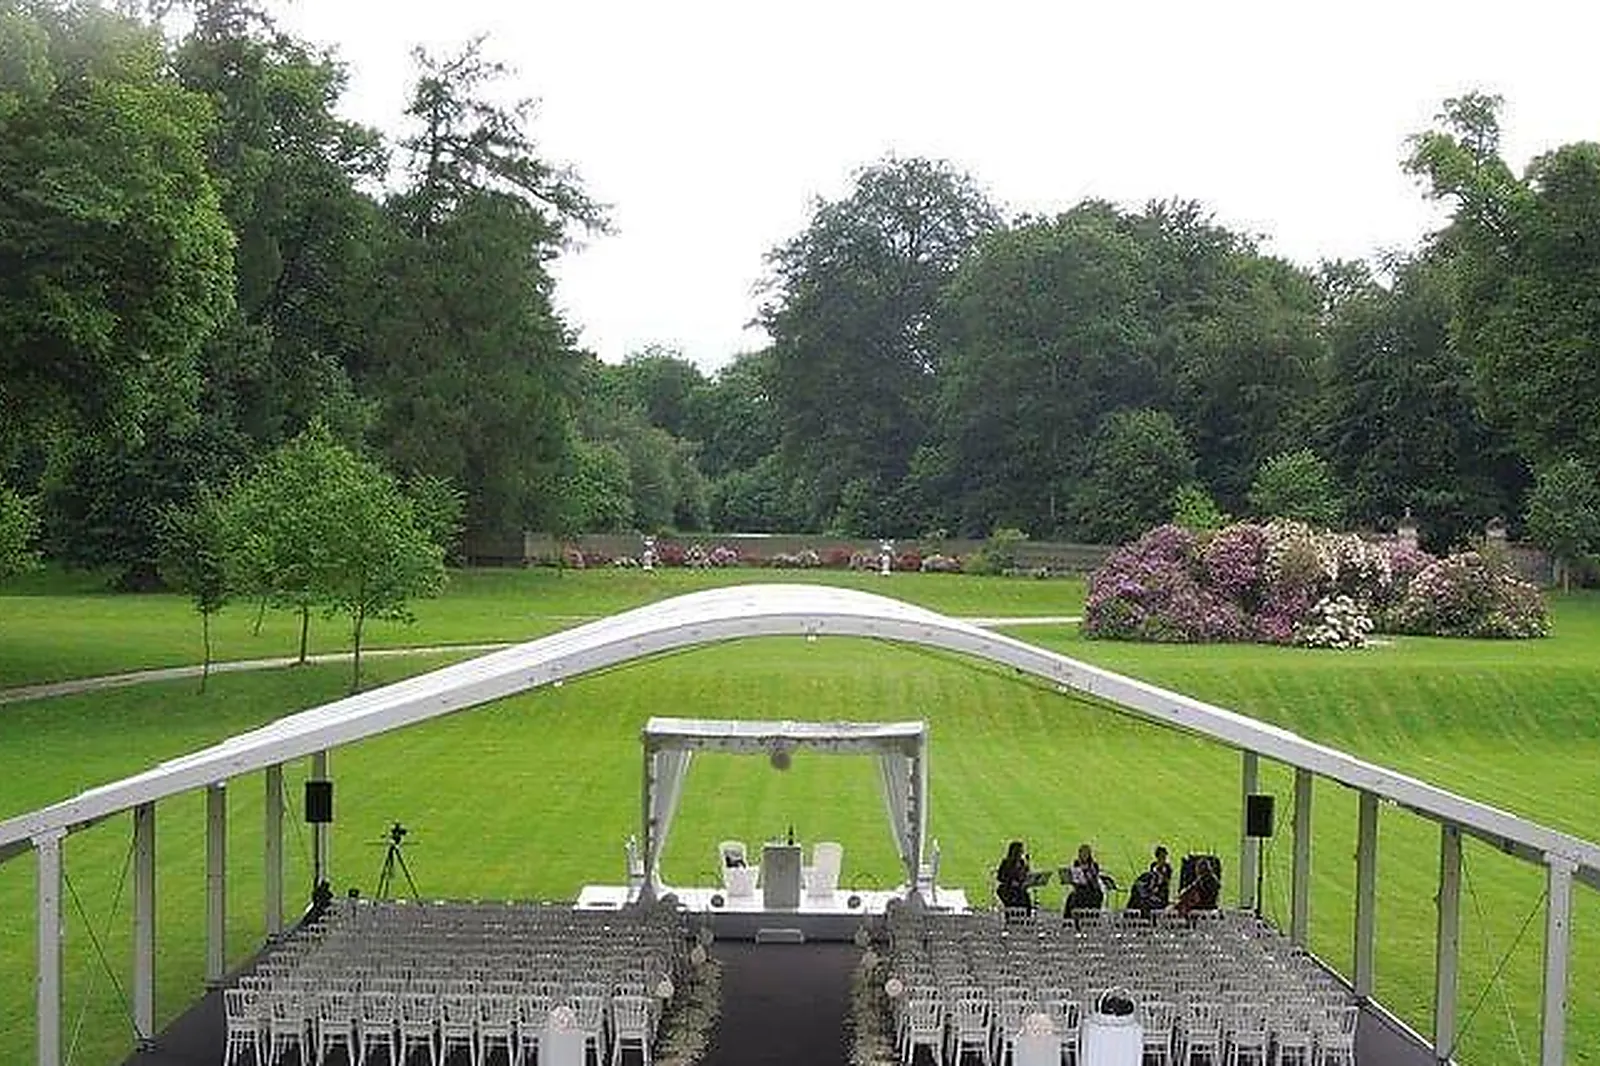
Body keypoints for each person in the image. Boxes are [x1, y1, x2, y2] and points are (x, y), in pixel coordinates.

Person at [1063, 843, 1103, 915]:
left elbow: (1094, 880)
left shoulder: (1094, 865)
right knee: (1071, 898)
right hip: (1080, 889)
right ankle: (1070, 920)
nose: (1084, 856)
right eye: (1082, 854)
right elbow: (1075, 878)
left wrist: (1090, 873)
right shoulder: (1077, 863)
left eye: (1086, 854)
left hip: (1092, 890)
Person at [995, 840, 1033, 912]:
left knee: (1025, 897)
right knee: (1018, 897)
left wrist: (1027, 866)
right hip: (1008, 889)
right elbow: (1000, 877)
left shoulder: (1022, 862)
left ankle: (1025, 918)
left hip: (1019, 888)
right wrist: (1011, 881)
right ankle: (1014, 917)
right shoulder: (1006, 863)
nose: (1022, 853)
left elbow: (1025, 875)